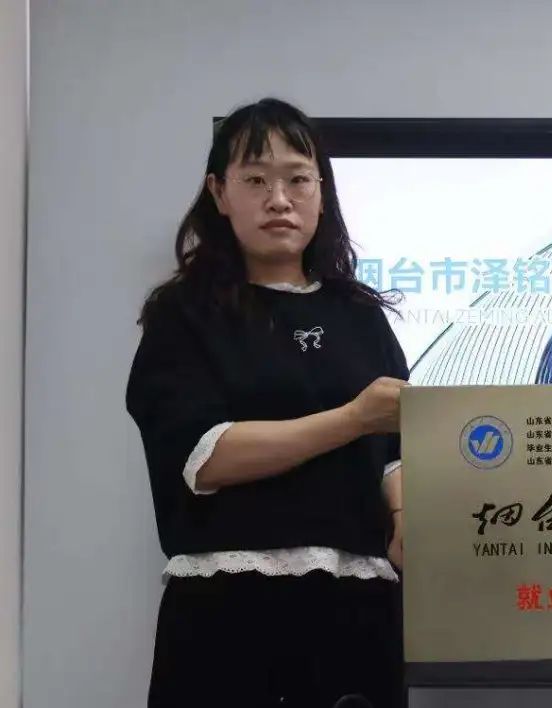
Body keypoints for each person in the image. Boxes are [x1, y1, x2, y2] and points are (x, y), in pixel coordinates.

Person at [126, 98, 409, 708]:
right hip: (229, 612)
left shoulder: (361, 316)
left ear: (322, 192)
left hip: (359, 610)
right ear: (219, 192)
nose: (279, 199)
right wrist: (351, 420)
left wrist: (406, 514)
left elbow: (395, 449)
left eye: (298, 179)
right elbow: (206, 457)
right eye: (255, 180)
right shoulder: (185, 315)